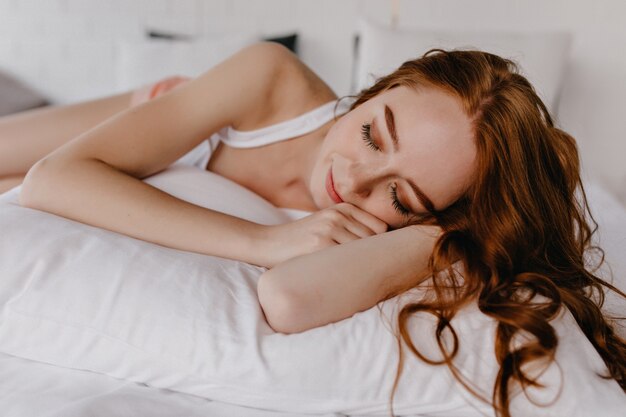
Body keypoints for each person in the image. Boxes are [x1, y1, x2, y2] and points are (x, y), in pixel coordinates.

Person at [2, 42, 624, 416]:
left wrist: (444, 238)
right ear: (379, 89)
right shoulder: (270, 79)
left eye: (401, 197)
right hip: (153, 115)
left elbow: (290, 299)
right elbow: (56, 179)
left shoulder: (395, 233)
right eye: (370, 133)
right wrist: (261, 242)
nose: (354, 183)